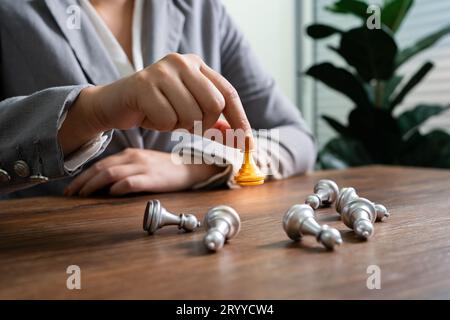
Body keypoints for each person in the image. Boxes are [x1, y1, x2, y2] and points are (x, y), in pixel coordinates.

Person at [0, 0, 315, 198]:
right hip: (41, 256)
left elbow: (295, 136)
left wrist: (196, 166)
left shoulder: (203, 10)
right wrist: (92, 111)